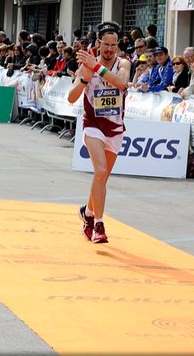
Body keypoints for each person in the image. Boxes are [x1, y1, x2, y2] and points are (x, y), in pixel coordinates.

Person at [67, 21, 131, 244]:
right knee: (100, 170)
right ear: (99, 43)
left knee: (102, 178)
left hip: (115, 127)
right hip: (93, 125)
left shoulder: (123, 63)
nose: (110, 49)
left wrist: (98, 68)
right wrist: (85, 77)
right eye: (106, 44)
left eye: (114, 45)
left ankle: (88, 212)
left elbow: (122, 83)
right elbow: (71, 98)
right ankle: (99, 225)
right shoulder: (86, 64)